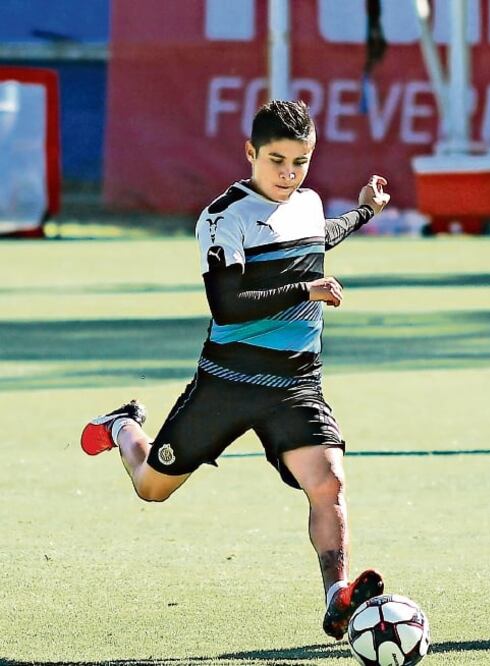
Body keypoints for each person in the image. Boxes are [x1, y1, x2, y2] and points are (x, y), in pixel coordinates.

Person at [80, 100, 389, 641]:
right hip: (228, 381)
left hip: (296, 383)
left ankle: (336, 596)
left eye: (300, 162)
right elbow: (229, 303)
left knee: (329, 482)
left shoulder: (308, 201)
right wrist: (306, 289)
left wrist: (364, 211)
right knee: (152, 486)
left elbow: (319, 234)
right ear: (250, 153)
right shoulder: (223, 218)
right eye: (276, 161)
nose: (289, 174)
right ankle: (123, 425)